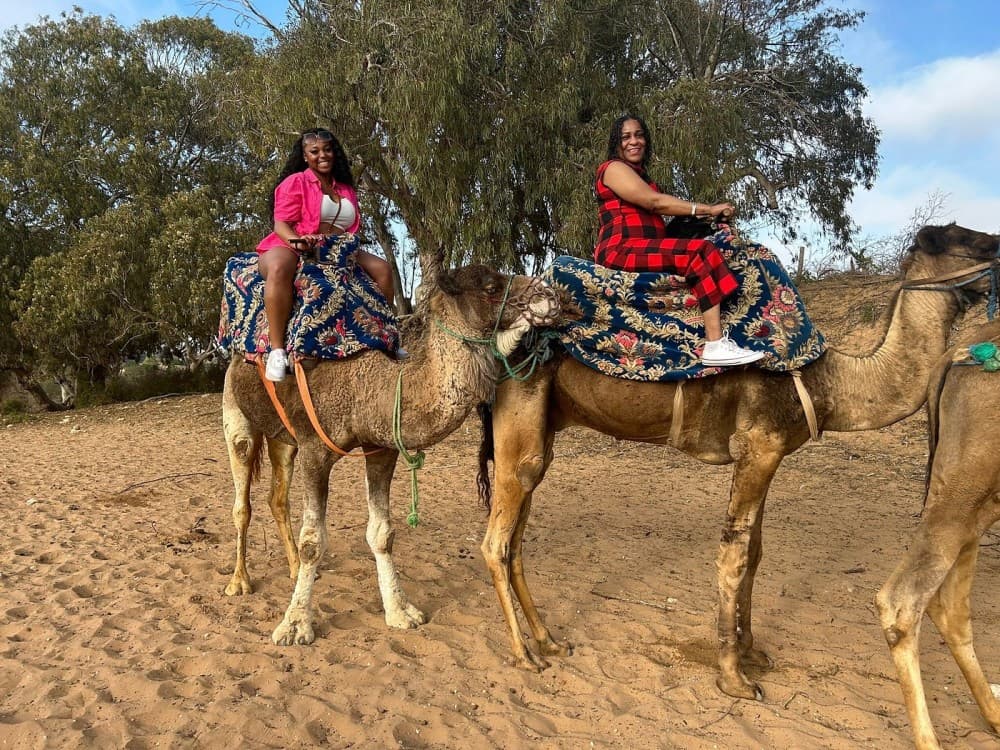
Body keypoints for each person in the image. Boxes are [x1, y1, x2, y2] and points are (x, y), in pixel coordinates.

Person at [594, 114, 765, 367]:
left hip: (642, 247)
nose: (634, 141)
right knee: (700, 252)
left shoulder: (646, 179)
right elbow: (654, 202)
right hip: (621, 248)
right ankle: (715, 344)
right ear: (616, 144)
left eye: (639, 135)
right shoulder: (612, 169)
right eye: (626, 137)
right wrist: (708, 209)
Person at [256, 128, 396, 381]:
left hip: (338, 246)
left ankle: (383, 335)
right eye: (315, 151)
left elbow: (351, 226)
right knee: (279, 268)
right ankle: (277, 351)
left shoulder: (344, 188)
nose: (323, 155)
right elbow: (281, 224)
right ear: (305, 156)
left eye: (328, 149)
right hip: (293, 241)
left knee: (383, 270)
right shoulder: (295, 182)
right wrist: (297, 243)